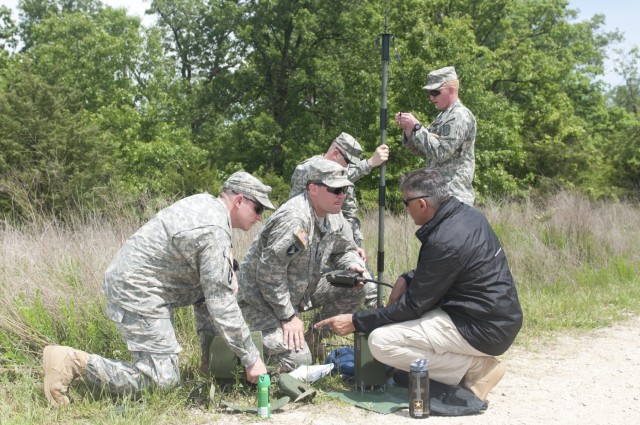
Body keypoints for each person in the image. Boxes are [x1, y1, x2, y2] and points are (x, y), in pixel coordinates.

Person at [42, 172, 275, 407]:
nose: (259, 217)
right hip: (139, 289)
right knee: (162, 381)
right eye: (257, 208)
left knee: (217, 290)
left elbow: (207, 277)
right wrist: (251, 358)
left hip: (147, 284)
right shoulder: (214, 228)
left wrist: (229, 271)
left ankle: (211, 366)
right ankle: (74, 363)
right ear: (239, 201)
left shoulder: (207, 206)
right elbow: (220, 302)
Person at [315, 168, 523, 401]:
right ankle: (464, 366)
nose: (405, 208)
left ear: (421, 204)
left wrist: (356, 321)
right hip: (496, 317)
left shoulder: (444, 240)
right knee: (404, 336)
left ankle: (475, 368)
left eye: (406, 202)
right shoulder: (468, 216)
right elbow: (448, 267)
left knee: (381, 342)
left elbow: (411, 308)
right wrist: (408, 277)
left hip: (481, 328)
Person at [238, 159, 368, 372]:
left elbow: (344, 250)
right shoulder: (296, 218)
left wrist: (352, 264)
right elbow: (269, 271)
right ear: (313, 189)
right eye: (335, 189)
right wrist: (288, 316)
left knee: (358, 286)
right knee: (299, 361)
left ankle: (314, 337)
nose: (341, 195)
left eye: (344, 189)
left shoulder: (334, 216)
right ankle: (239, 353)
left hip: (300, 292)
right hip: (261, 301)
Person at [289, 132, 389, 263]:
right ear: (336, 154)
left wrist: (356, 246)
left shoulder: (342, 178)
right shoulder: (308, 168)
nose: (348, 167)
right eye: (347, 161)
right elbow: (324, 178)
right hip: (306, 244)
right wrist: (369, 163)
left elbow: (350, 214)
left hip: (334, 244)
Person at [394, 66, 477, 205]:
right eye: (430, 93)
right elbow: (422, 151)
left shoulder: (458, 116)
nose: (431, 98)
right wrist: (409, 131)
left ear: (451, 90)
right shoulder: (443, 117)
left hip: (454, 197)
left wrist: (417, 127)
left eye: (435, 92)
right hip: (438, 195)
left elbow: (441, 153)